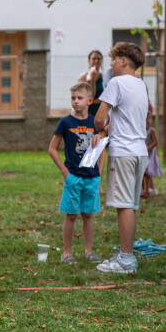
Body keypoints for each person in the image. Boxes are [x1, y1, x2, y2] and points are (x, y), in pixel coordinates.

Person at [93, 42, 149, 274]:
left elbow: (99, 118)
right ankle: (126, 254)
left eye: (114, 60)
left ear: (124, 61)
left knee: (123, 206)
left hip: (123, 152)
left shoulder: (116, 83)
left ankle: (126, 260)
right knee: (131, 206)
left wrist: (101, 130)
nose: (112, 65)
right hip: (140, 151)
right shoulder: (141, 85)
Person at [47, 82, 102, 264]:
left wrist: (99, 173)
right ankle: (67, 253)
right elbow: (52, 149)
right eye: (73, 98)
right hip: (73, 178)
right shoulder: (65, 122)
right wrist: (65, 173)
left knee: (88, 215)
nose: (76, 101)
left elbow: (102, 150)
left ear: (90, 100)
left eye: (80, 98)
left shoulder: (95, 123)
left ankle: (89, 252)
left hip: (91, 179)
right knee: (71, 215)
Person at [77, 50, 105, 116]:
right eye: (94, 59)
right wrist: (92, 80)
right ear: (89, 61)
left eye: (99, 59)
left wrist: (100, 100)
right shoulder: (83, 78)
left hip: (101, 112)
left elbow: (108, 97)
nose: (96, 61)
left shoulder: (104, 77)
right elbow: (90, 97)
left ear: (101, 61)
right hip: (87, 113)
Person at [141, 114, 162, 198]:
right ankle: (146, 189)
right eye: (145, 119)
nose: (147, 121)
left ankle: (146, 190)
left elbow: (156, 142)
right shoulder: (141, 130)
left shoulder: (151, 130)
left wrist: (148, 148)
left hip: (150, 155)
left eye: (149, 119)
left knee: (146, 172)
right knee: (143, 172)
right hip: (143, 154)